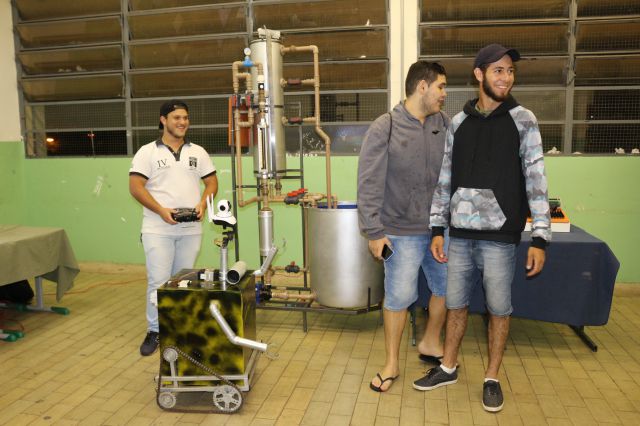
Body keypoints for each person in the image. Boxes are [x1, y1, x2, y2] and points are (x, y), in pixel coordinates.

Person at [412, 44, 552, 413]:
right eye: (498, 70)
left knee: (499, 310)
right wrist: (438, 227)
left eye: (510, 71)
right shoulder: (458, 123)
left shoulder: (523, 120)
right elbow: (445, 179)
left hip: (500, 238)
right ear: (479, 74)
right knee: (455, 305)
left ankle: (492, 377)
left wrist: (541, 236)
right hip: (459, 235)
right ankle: (448, 367)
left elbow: (536, 180)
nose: (506, 78)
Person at [358, 61, 450, 392]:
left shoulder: (444, 124)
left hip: (439, 230)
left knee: (446, 288)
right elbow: (368, 181)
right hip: (399, 231)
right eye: (441, 86)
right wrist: (374, 231)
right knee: (398, 298)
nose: (444, 93)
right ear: (422, 86)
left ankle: (430, 340)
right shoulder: (386, 127)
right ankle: (391, 363)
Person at [129, 99, 218, 356]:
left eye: (185, 118)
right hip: (157, 228)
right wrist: (161, 210)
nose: (182, 122)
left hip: (190, 229)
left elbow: (212, 183)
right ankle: (155, 330)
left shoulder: (198, 152)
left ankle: (179, 329)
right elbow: (135, 187)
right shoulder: (147, 152)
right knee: (158, 281)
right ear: (163, 120)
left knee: (183, 281)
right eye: (177, 117)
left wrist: (203, 204)